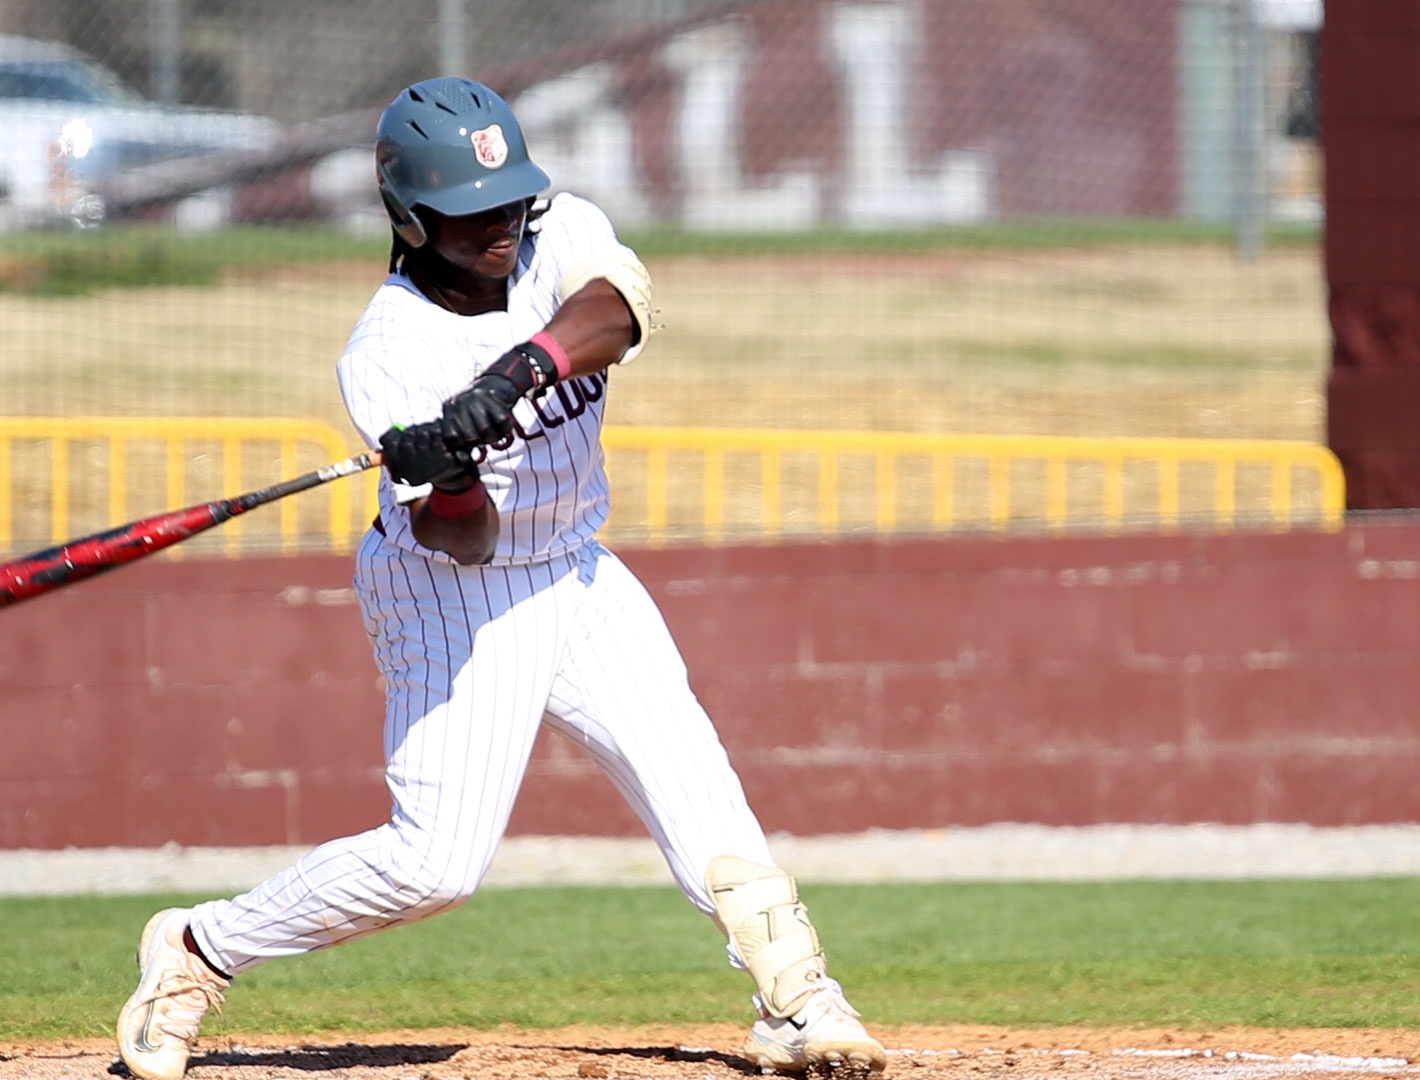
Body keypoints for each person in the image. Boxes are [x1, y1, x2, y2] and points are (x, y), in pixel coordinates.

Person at [114, 76, 889, 1080]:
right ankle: (200, 949)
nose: (500, 227)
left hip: (575, 567)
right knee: (435, 866)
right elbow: (463, 539)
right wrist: (449, 471)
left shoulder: (558, 229)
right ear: (410, 216)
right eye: (470, 215)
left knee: (690, 776)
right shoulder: (386, 356)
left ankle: (801, 1003)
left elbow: (617, 311)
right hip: (456, 593)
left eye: (509, 201)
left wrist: (514, 376)